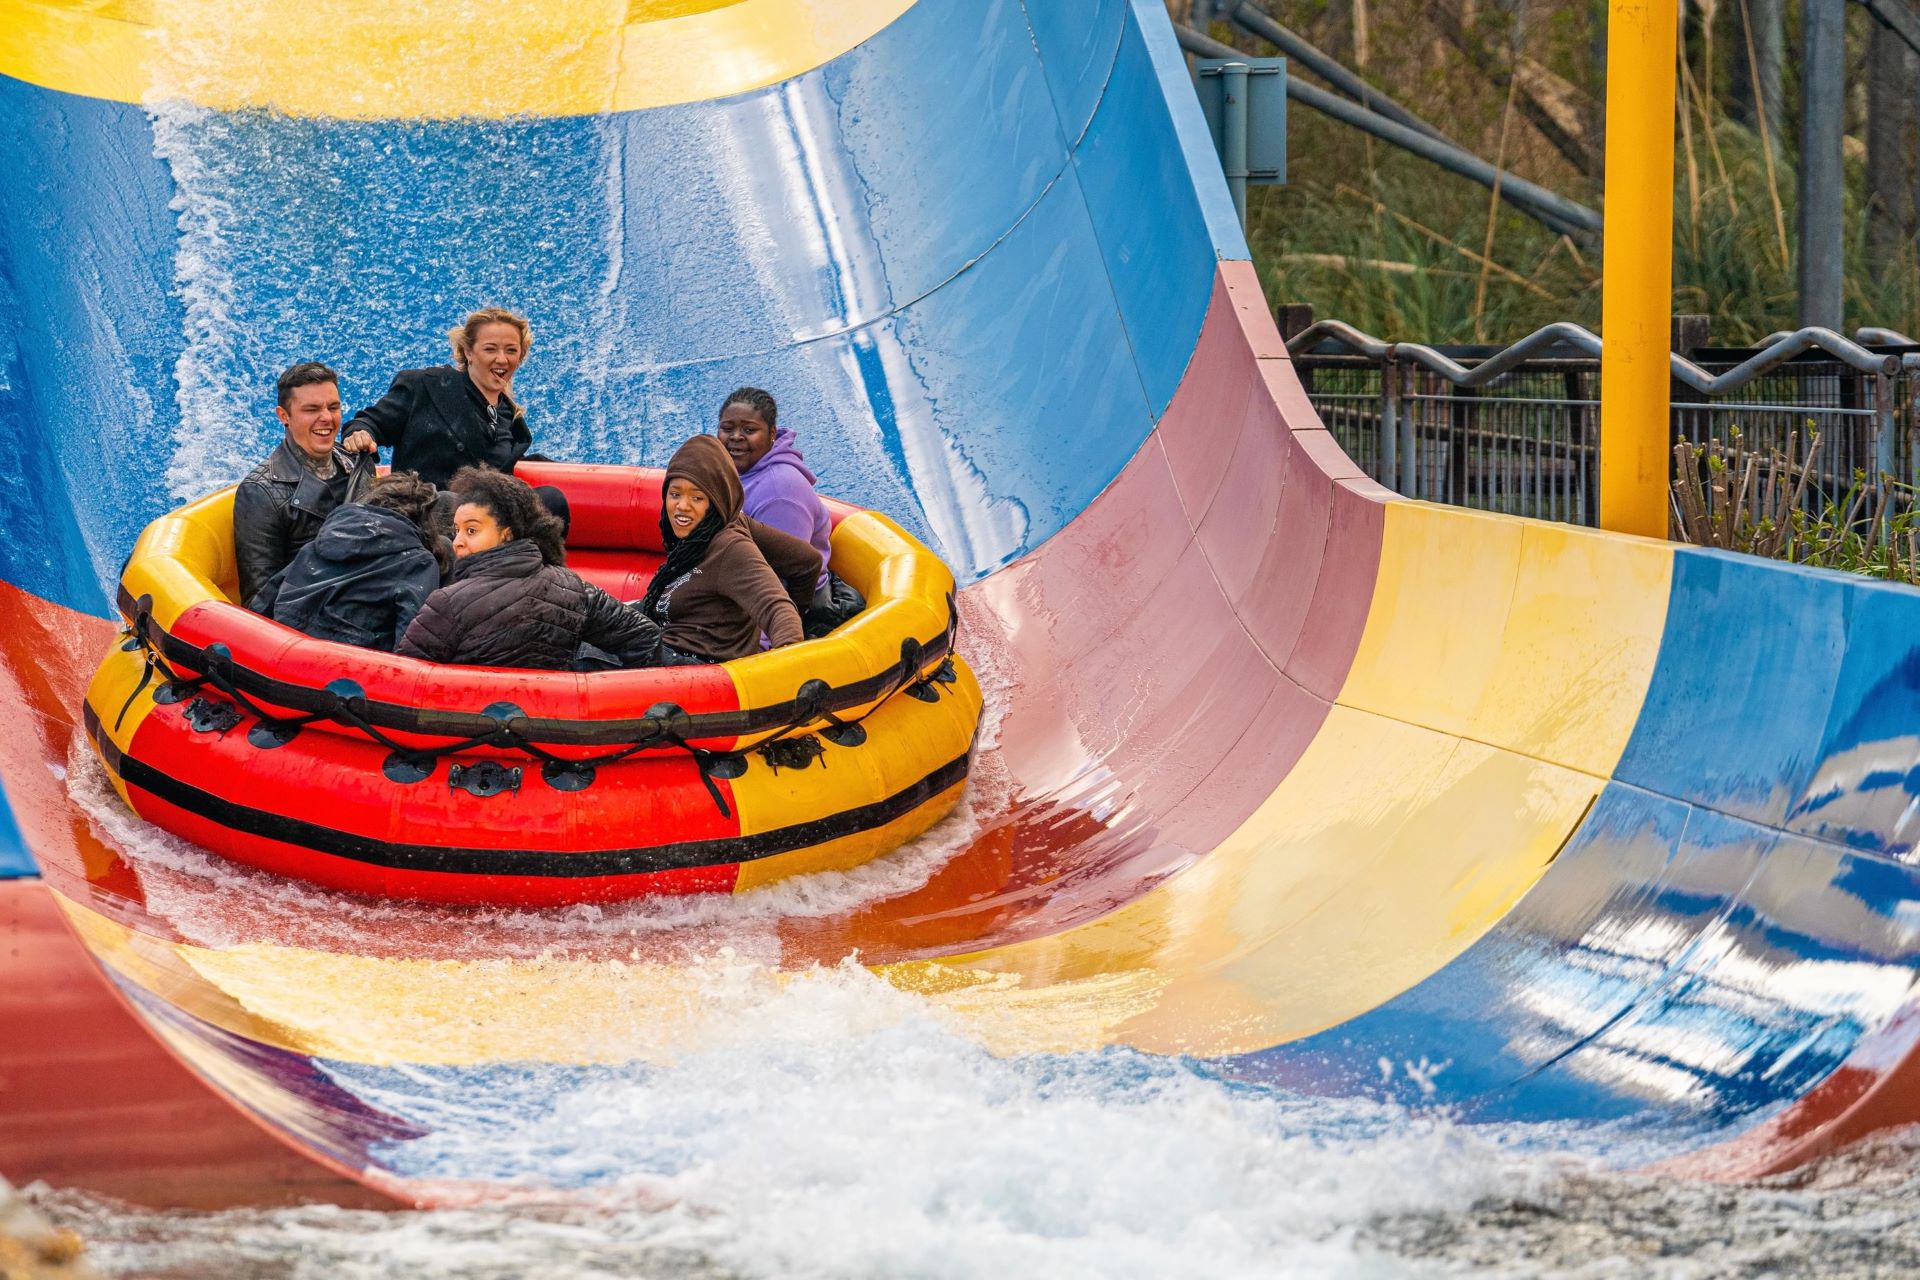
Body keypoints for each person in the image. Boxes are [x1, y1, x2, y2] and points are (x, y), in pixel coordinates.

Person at [397, 467, 659, 671]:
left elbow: (405, 678)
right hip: (554, 731)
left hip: (471, 734)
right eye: (457, 531)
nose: (457, 542)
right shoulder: (573, 587)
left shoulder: (446, 604)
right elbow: (644, 638)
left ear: (506, 535)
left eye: (472, 530)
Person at [636, 435, 820, 665]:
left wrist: (782, 655)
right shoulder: (726, 523)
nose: (682, 506)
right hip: (670, 646)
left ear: (715, 500)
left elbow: (777, 606)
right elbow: (807, 560)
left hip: (693, 671)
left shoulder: (730, 548)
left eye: (697, 497)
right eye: (675, 494)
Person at [715, 387, 864, 637]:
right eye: (727, 428)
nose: (736, 437)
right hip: (740, 585)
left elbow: (780, 581)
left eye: (749, 430)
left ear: (772, 434)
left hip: (787, 608)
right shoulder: (734, 472)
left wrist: (757, 645)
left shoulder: (780, 493)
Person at [251, 472, 447, 651]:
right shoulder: (419, 561)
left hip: (286, 643)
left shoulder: (327, 537)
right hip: (347, 661)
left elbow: (263, 604)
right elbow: (411, 643)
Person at [234, 362, 376, 608]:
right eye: (311, 409)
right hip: (318, 616)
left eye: (333, 407)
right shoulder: (260, 492)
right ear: (284, 416)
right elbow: (260, 602)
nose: (327, 418)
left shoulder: (359, 464)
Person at [341, 307, 534, 488]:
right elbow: (369, 423)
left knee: (551, 498)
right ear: (468, 352)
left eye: (511, 350)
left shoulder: (509, 417)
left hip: (485, 517)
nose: (502, 359)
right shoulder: (425, 386)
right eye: (490, 349)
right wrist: (360, 433)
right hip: (425, 510)